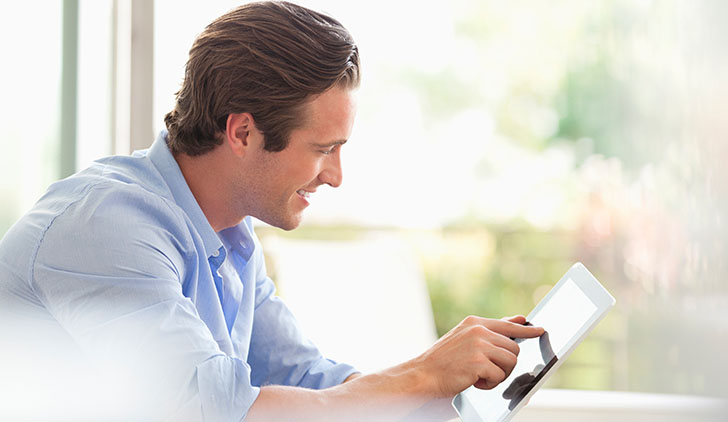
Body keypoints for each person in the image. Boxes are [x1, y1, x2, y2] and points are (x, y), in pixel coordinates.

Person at [0, 1, 543, 420]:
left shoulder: (230, 236)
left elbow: (306, 377)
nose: (335, 176)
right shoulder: (107, 224)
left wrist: (441, 392)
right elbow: (218, 410)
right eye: (323, 149)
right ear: (242, 132)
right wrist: (422, 376)